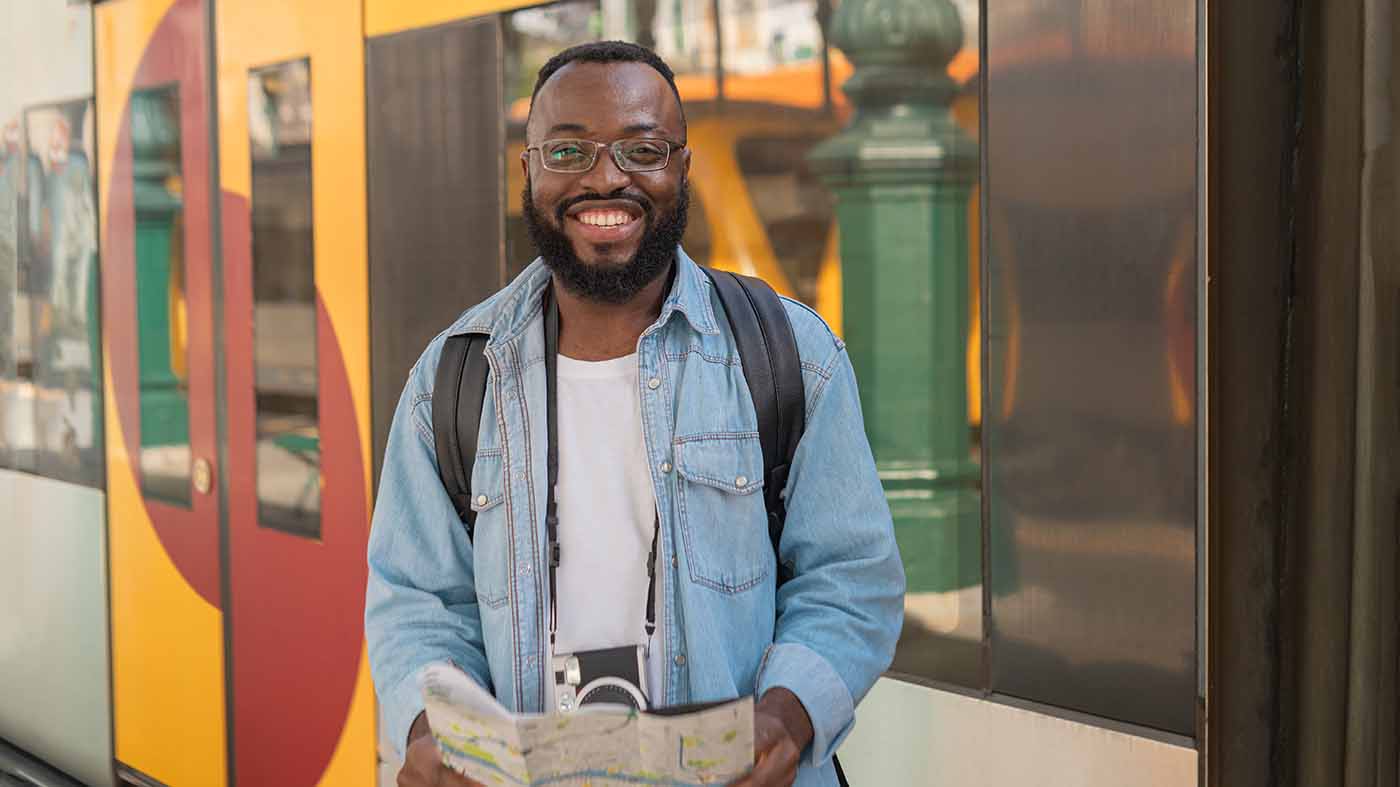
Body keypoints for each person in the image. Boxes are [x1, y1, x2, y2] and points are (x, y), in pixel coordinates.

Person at [366, 41, 904, 787]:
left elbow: (851, 579)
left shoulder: (790, 354)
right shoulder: (454, 380)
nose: (605, 177)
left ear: (682, 168)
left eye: (641, 148)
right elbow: (418, 601)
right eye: (568, 149)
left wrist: (788, 713)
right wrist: (428, 727)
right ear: (528, 172)